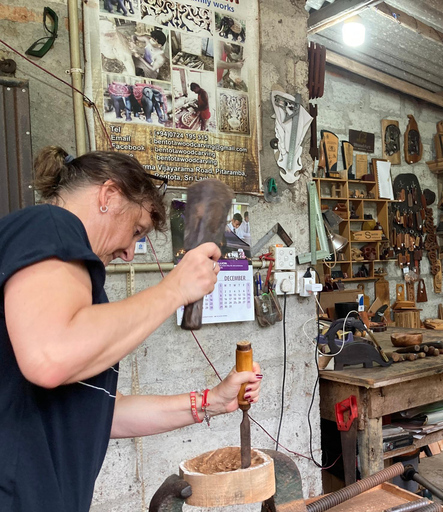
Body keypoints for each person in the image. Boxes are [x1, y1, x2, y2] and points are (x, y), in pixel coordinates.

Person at [0, 147, 263, 512]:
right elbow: (50, 358)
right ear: (108, 195)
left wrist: (211, 402)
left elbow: (104, 410)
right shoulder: (50, 224)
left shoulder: (65, 276)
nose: (128, 252)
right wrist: (174, 289)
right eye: (137, 230)